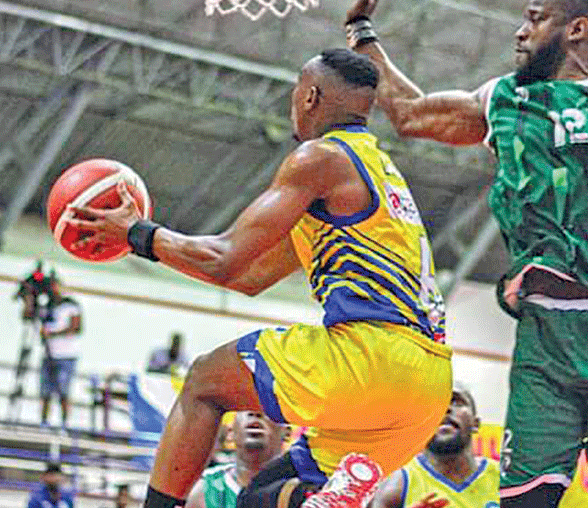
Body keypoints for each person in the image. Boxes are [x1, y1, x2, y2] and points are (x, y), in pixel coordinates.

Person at [345, 0, 588, 508]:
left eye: (535, 20)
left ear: (577, 29)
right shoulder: (505, 100)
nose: (520, 32)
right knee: (523, 501)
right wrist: (362, 34)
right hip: (547, 337)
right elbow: (411, 116)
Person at [71, 48, 451, 508]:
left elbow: (225, 257)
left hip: (373, 358)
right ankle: (329, 499)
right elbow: (249, 277)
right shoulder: (378, 172)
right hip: (426, 390)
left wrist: (136, 234)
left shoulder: (321, 158)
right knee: (257, 500)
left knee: (205, 382)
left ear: (309, 96)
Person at [370, 386, 498, 508]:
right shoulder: (396, 485)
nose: (444, 408)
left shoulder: (503, 478)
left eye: (456, 402)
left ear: (475, 423)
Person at [187, 412, 289, 508]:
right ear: (230, 432)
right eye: (244, 407)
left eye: (265, 408)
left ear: (287, 431)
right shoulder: (206, 488)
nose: (254, 413)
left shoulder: (299, 487)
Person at [39, 278, 83, 429]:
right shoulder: (46, 307)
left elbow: (75, 328)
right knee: (45, 391)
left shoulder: (71, 306)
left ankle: (64, 424)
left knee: (63, 391)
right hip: (48, 354)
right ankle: (44, 423)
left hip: (66, 355)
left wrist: (51, 333)